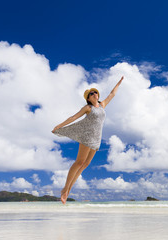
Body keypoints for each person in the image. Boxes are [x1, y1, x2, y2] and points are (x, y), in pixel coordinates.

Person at [52, 76, 124, 204]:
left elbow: (112, 94)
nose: (95, 94)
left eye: (95, 92)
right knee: (79, 162)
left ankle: (69, 189)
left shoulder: (102, 105)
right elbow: (73, 117)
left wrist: (119, 83)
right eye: (91, 93)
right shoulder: (88, 108)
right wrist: (59, 126)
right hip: (87, 136)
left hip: (97, 138)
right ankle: (65, 189)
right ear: (88, 98)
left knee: (86, 164)